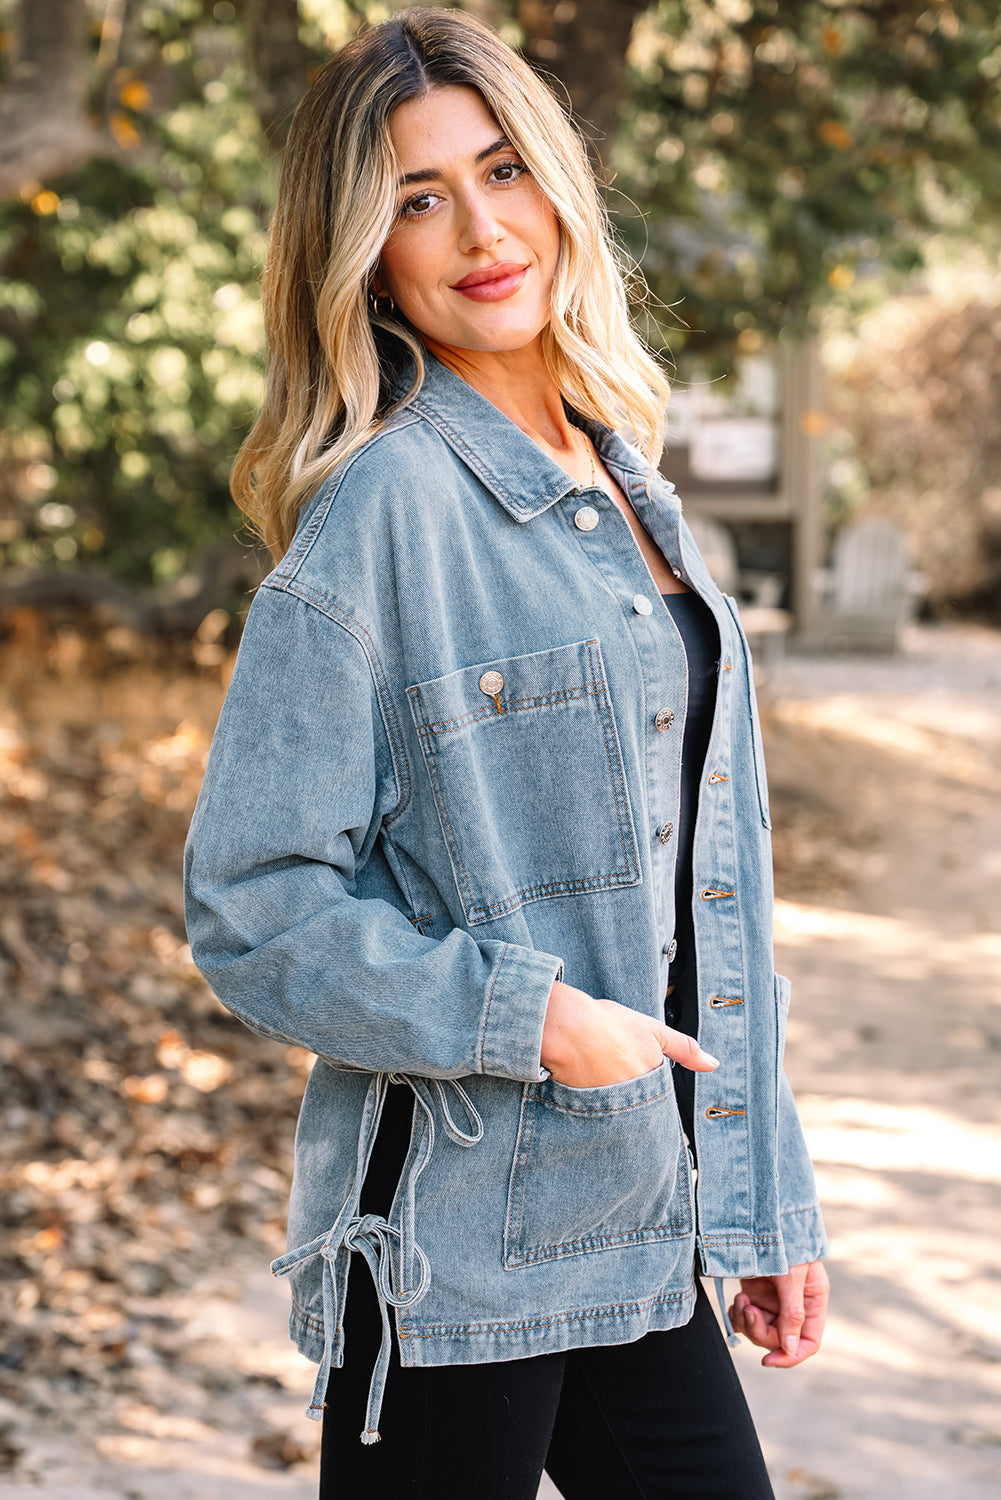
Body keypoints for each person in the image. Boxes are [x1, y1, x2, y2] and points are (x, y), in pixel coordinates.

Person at [183, 9, 829, 1497]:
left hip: (640, 1209)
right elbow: (254, 903)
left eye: (502, 171)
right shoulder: (382, 516)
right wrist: (532, 1019)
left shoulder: (622, 476)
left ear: (556, 184)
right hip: (455, 1252)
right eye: (416, 199)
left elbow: (708, 891)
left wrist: (762, 1194)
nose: (479, 229)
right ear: (363, 251)